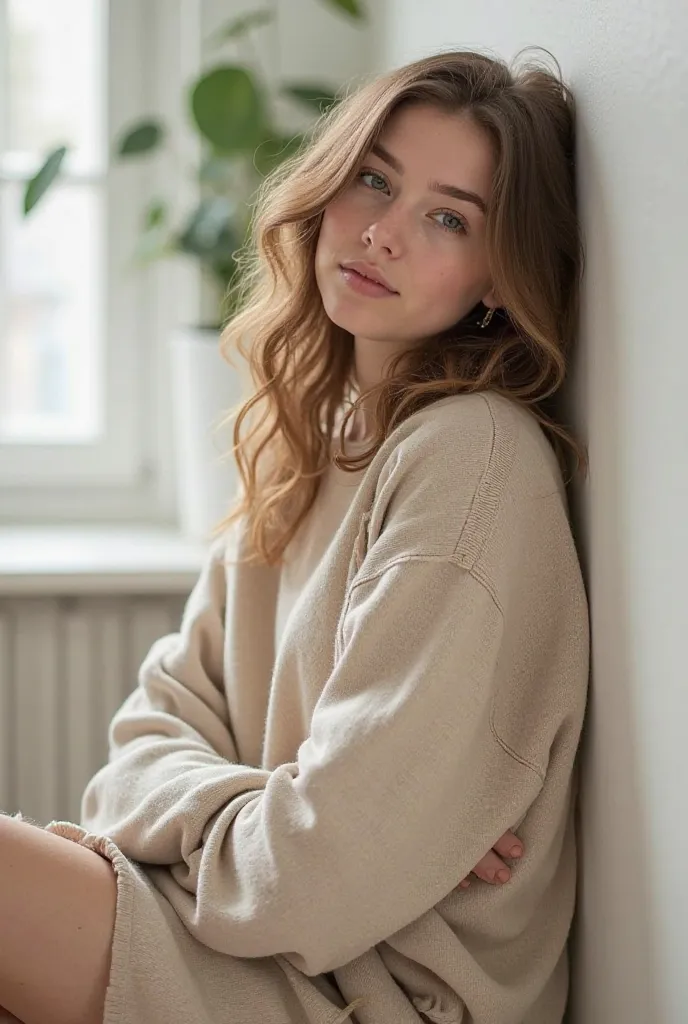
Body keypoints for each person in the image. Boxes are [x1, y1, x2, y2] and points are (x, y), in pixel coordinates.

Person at [0, 45, 590, 1024]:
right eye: (372, 179)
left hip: (371, 993)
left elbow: (315, 878)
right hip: (242, 930)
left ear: (495, 278)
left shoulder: (471, 459)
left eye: (446, 217)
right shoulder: (310, 445)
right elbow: (137, 750)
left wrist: (268, 823)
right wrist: (272, 801)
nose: (382, 233)